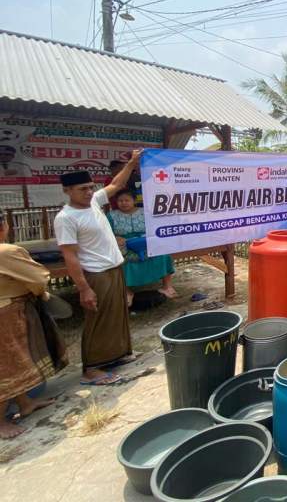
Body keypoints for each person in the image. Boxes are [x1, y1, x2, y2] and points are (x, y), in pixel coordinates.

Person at [54, 151, 141, 386]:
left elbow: (116, 184)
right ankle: (91, 369)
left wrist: (131, 164)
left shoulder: (93, 202)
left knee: (117, 314)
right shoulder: (66, 218)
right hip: (95, 273)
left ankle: (118, 355)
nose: (89, 192)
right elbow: (70, 256)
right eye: (83, 188)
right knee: (98, 319)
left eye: (91, 187)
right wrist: (83, 288)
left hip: (113, 267)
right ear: (67, 191)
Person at [0, 212, 68, 439]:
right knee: (9, 365)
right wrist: (40, 294)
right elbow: (39, 278)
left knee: (18, 361)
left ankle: (25, 402)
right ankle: (1, 422)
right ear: (5, 226)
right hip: (6, 314)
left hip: (8, 310)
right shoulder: (6, 252)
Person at [108, 189, 176, 306]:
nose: (123, 203)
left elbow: (155, 228)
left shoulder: (146, 212)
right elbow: (106, 233)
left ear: (134, 200)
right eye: (120, 201)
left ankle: (167, 287)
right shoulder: (111, 215)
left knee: (163, 254)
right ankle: (127, 292)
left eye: (127, 200)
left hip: (146, 242)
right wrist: (116, 238)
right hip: (123, 244)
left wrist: (149, 237)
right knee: (119, 260)